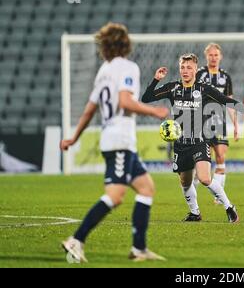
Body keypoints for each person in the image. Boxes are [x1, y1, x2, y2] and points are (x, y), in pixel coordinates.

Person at [60, 23, 169, 263]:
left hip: (116, 140)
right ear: (125, 43)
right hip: (119, 139)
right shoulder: (128, 67)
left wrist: (73, 138)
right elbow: (125, 102)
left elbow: (90, 110)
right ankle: (76, 240)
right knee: (116, 195)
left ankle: (139, 249)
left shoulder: (104, 70)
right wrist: (154, 112)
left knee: (146, 188)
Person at [142, 54, 244, 223]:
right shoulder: (173, 88)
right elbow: (146, 98)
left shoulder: (203, 89)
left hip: (199, 141)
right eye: (183, 67)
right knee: (185, 183)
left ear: (195, 69)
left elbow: (226, 101)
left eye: (189, 67)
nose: (185, 71)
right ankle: (195, 213)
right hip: (180, 144)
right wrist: (156, 79)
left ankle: (229, 208)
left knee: (205, 178)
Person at [195, 43, 238, 204]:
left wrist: (235, 124)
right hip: (201, 121)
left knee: (220, 156)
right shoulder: (199, 74)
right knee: (200, 160)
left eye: (216, 55)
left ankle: (218, 196)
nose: (213, 58)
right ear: (206, 57)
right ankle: (193, 195)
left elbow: (230, 101)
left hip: (219, 121)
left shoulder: (225, 77)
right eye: (210, 55)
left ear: (220, 57)